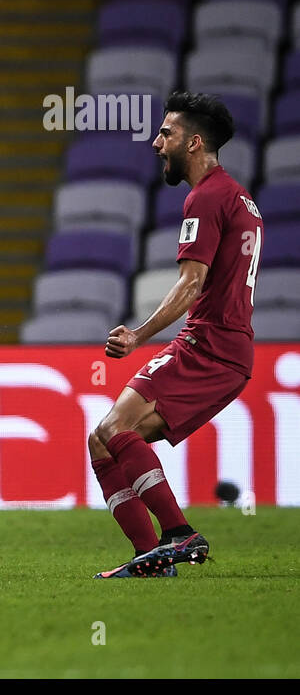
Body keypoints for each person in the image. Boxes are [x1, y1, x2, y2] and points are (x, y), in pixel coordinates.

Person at [91, 92, 261, 579]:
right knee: (101, 441)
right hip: (227, 349)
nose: (156, 142)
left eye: (166, 133)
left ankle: (179, 534)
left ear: (194, 142)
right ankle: (154, 560)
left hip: (208, 345)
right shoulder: (239, 197)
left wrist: (140, 335)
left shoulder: (205, 196)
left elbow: (192, 283)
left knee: (113, 431)